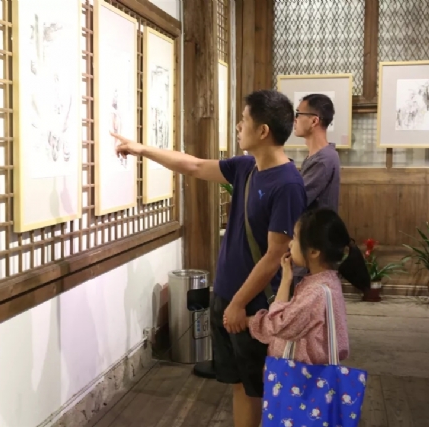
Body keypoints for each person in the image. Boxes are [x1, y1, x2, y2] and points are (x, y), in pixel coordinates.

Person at [112, 90, 307, 427]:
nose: (238, 126)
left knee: (260, 388)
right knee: (239, 384)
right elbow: (193, 165)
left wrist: (238, 304)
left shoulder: (288, 184)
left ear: (263, 131)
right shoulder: (246, 168)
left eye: (244, 120)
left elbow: (275, 256)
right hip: (227, 296)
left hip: (254, 305)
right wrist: (141, 149)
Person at [243, 208, 369, 364]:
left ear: (314, 252)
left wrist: (250, 321)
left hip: (300, 375)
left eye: (295, 237)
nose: (290, 243)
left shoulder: (315, 293)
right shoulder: (326, 283)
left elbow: (279, 325)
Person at [293, 94, 341, 212]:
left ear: (314, 121)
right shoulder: (319, 156)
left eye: (298, 114)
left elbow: (296, 200)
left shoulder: (323, 159)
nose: (295, 120)